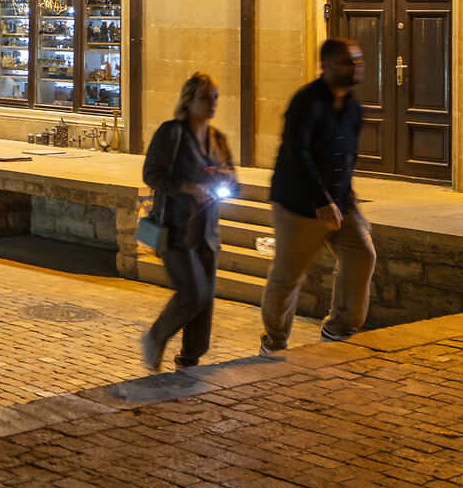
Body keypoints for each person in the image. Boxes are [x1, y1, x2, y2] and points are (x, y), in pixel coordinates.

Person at [260, 38, 380, 350]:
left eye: (357, 61)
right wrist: (321, 200)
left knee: (362, 254)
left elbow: (345, 158)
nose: (355, 67)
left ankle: (339, 327)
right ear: (326, 67)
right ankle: (273, 341)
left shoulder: (353, 108)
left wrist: (344, 198)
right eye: (347, 62)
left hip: (339, 202)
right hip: (299, 205)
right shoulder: (306, 102)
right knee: (288, 277)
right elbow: (297, 154)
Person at [139, 72, 236, 372]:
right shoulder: (172, 133)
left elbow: (233, 175)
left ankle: (190, 357)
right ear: (189, 100)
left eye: (216, 97)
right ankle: (155, 337)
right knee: (195, 292)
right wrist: (188, 187)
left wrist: (221, 177)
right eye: (205, 97)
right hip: (175, 228)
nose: (212, 103)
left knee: (205, 301)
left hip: (207, 230)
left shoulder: (217, 138)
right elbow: (151, 173)